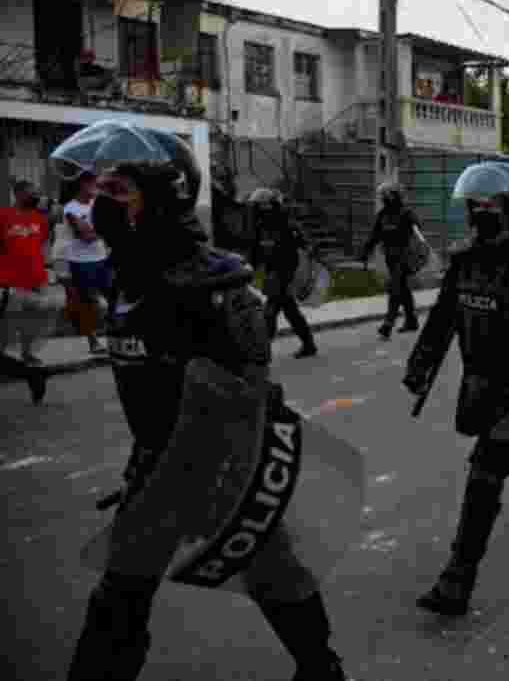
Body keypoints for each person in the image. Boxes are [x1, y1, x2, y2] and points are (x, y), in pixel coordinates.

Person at [50, 121, 348, 681]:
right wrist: (151, 461)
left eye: (119, 193)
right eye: (102, 193)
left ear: (164, 195)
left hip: (223, 472)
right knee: (119, 598)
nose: (102, 207)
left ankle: (323, 669)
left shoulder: (217, 286)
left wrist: (202, 464)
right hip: (156, 468)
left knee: (274, 573)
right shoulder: (128, 276)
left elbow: (247, 396)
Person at [403, 162, 509, 617]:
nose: (478, 216)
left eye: (487, 207)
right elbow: (442, 320)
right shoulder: (465, 263)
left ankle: (457, 580)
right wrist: (421, 363)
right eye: (472, 208)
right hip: (479, 385)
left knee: (485, 474)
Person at [246, 188, 318, 359]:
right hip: (272, 273)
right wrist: (249, 268)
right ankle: (309, 344)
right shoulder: (260, 227)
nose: (257, 210)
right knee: (290, 311)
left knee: (270, 311)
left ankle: (262, 351)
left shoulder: (286, 223)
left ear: (269, 206)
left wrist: (308, 250)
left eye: (260, 206)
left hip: (285, 271)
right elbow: (255, 252)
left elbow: (304, 243)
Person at [0, 179, 52, 403]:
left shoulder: (41, 218)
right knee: (5, 333)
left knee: (31, 331)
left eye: (36, 194)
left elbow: (42, 243)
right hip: (10, 283)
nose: (35, 197)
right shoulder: (4, 216)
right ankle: (31, 373)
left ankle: (32, 368)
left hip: (37, 282)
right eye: (31, 194)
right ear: (18, 194)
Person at [361, 186, 420, 339]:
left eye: (386, 195)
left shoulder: (406, 213)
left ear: (394, 196)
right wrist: (365, 252)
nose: (383, 198)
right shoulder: (383, 215)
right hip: (390, 257)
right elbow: (374, 235)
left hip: (405, 256)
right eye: (382, 196)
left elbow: (417, 233)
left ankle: (388, 324)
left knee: (395, 287)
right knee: (402, 288)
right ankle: (412, 320)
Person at [64, 171, 113, 355]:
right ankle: (93, 342)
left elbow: (105, 230)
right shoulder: (71, 208)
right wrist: (101, 230)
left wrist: (96, 230)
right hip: (80, 261)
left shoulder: (97, 204)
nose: (96, 187)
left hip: (101, 258)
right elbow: (84, 236)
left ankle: (110, 338)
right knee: (89, 303)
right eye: (93, 184)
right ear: (82, 185)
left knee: (112, 299)